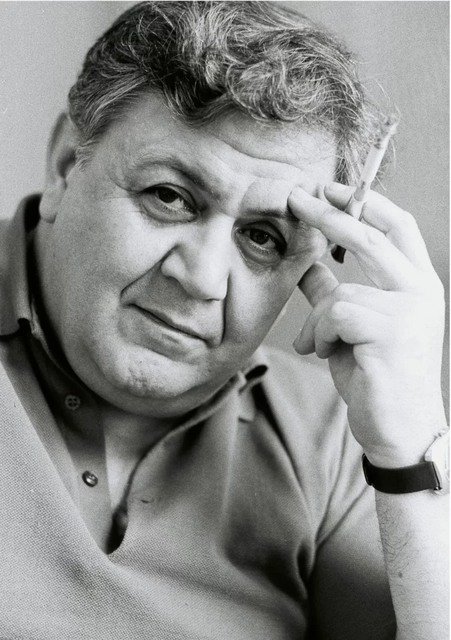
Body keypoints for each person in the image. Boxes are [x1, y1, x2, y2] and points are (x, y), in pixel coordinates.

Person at [0, 2, 447, 638]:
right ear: (68, 165)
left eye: (263, 237)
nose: (203, 278)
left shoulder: (337, 435)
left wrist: (413, 444)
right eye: (169, 197)